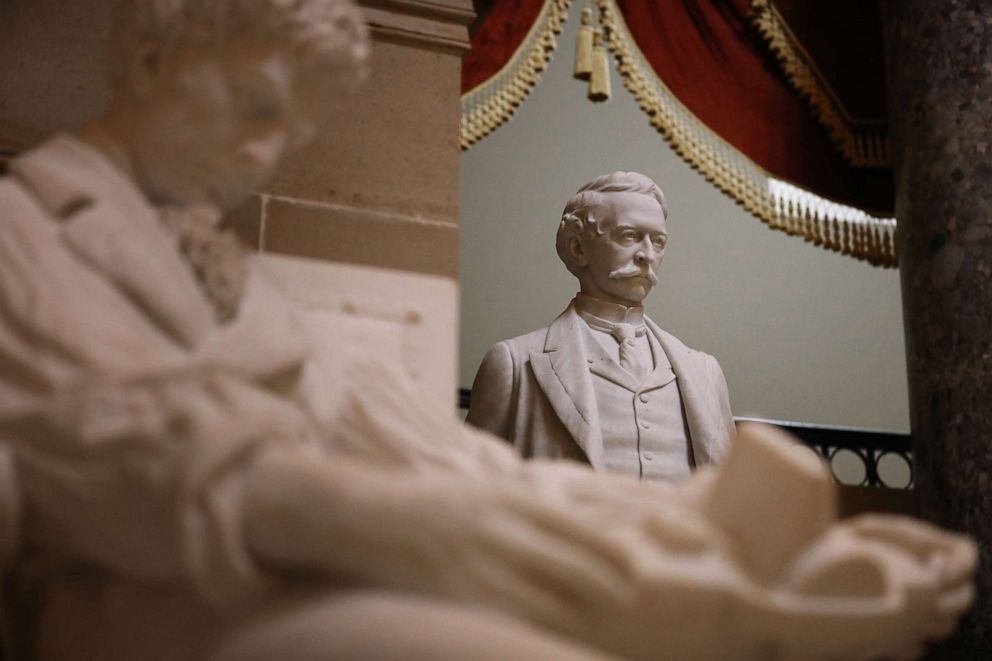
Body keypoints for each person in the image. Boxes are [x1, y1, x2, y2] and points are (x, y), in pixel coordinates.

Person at [0, 1, 976, 660]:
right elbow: (97, 447)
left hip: (311, 561)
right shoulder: (24, 230)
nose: (265, 153)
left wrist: (720, 544)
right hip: (170, 594)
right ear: (149, 54)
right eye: (256, 107)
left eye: (291, 132)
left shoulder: (242, 286)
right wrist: (411, 525)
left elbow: (433, 454)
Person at [468, 172, 733, 482]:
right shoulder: (514, 364)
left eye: (658, 241)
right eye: (629, 236)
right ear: (578, 247)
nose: (647, 256)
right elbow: (470, 493)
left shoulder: (704, 372)